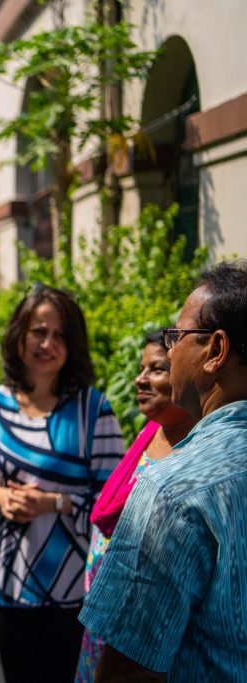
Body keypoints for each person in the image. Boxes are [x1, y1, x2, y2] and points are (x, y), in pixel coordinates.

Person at [80, 259, 247, 682]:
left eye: (177, 337)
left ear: (216, 350)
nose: (170, 351)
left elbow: (128, 670)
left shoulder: (172, 488)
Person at [0, 284, 123, 682]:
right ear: (19, 336)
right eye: (39, 332)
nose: (48, 344)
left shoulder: (93, 409)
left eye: (60, 335)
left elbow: (114, 502)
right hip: (6, 584)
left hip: (73, 592)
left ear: (73, 345)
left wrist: (55, 502)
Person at [74, 330, 197, 681]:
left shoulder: (193, 454)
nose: (140, 379)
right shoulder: (150, 433)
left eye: (156, 369)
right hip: (101, 624)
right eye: (142, 369)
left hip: (140, 635)